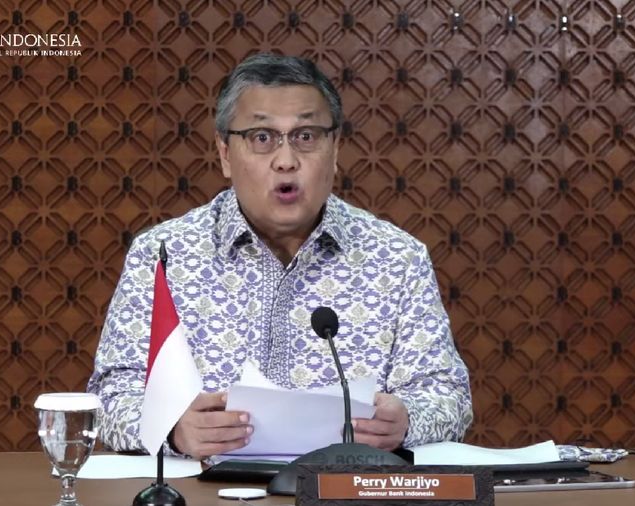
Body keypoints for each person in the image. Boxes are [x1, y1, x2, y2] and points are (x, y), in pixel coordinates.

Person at [87, 53, 472, 459]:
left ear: (335, 149)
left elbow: (448, 396)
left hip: (342, 488)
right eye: (262, 137)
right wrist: (173, 429)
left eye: (306, 136)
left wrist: (406, 420)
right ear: (224, 153)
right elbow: (110, 396)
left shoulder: (396, 257)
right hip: (203, 487)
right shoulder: (165, 254)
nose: (286, 161)